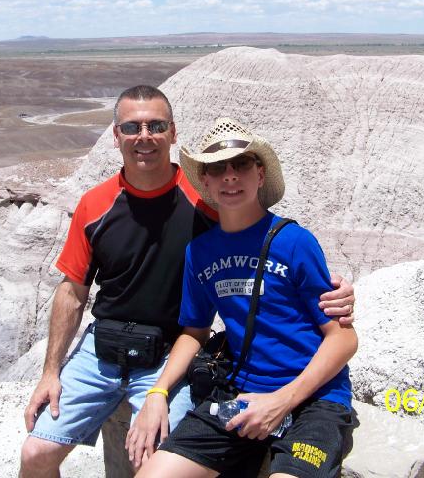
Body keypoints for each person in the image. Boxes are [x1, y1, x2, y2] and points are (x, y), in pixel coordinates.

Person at [19, 87, 356, 477]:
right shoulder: (125, 217)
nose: (230, 177)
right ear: (116, 135)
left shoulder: (253, 225)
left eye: (156, 126)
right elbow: (76, 291)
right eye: (132, 127)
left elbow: (337, 330)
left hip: (279, 389)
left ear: (173, 132)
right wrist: (53, 372)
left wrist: (338, 292)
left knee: (153, 456)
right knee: (38, 452)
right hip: (142, 361)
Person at [128, 117, 357, 478]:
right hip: (240, 395)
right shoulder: (200, 252)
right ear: (205, 180)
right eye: (217, 168)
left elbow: (343, 338)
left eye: (241, 164)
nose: (230, 176)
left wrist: (282, 401)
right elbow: (194, 331)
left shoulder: (294, 242)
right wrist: (158, 393)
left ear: (260, 174)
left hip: (315, 401)